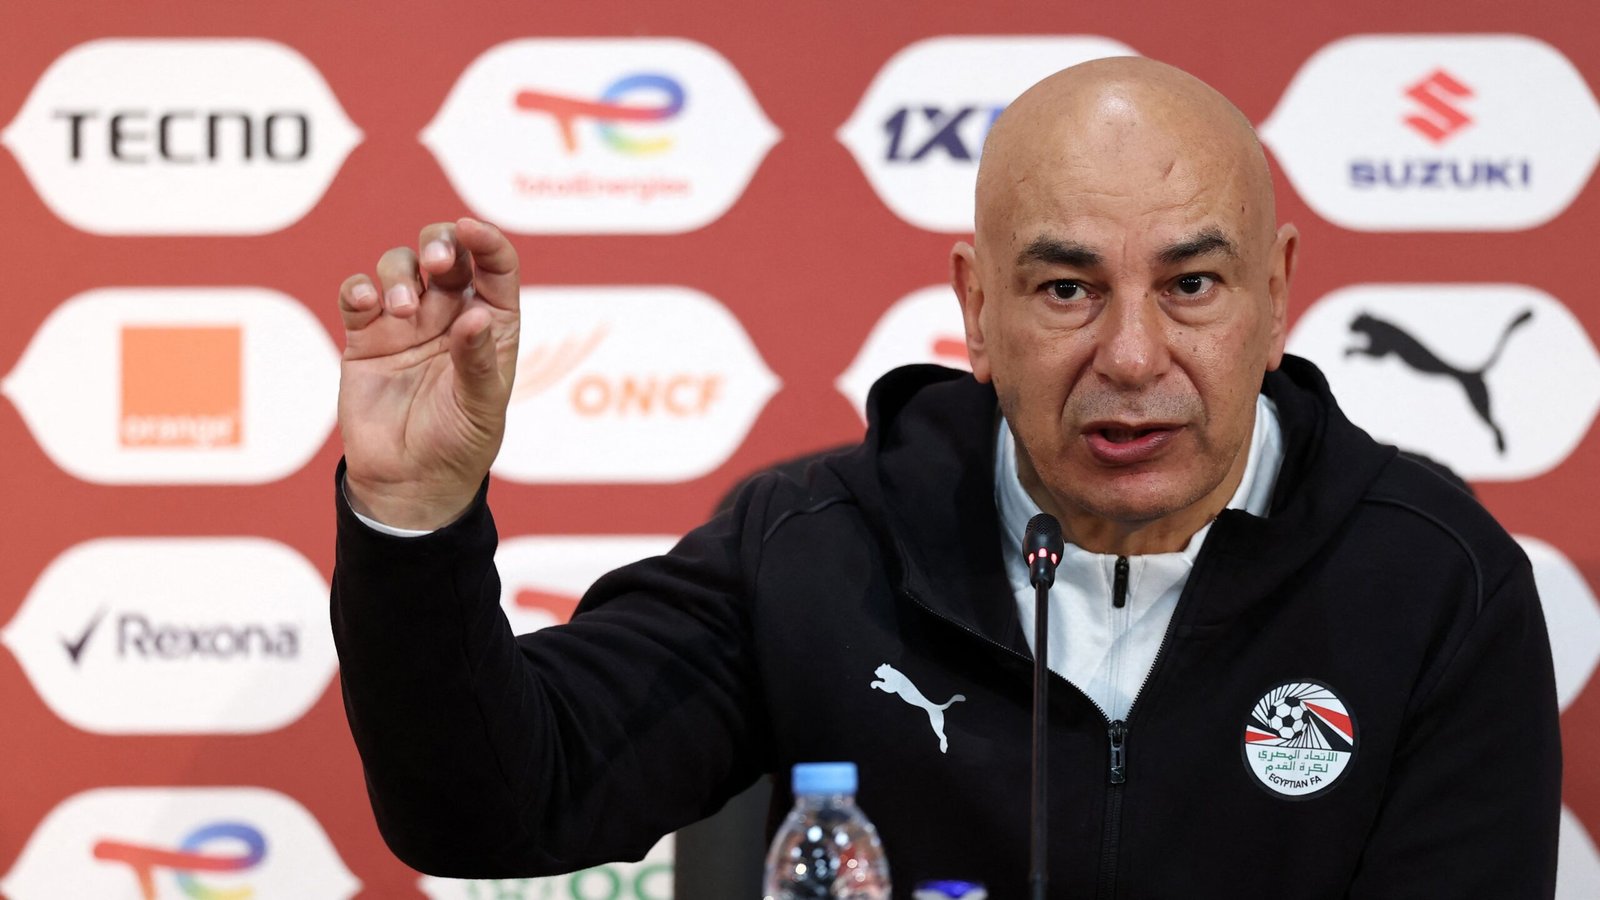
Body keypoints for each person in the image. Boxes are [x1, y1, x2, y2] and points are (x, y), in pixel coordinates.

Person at [331, 57, 1561, 897]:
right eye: (1066, 289)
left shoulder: (1435, 585)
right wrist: (414, 518)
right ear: (975, 309)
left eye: (1190, 286)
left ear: (1276, 295)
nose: (1132, 357)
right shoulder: (816, 547)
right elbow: (489, 806)